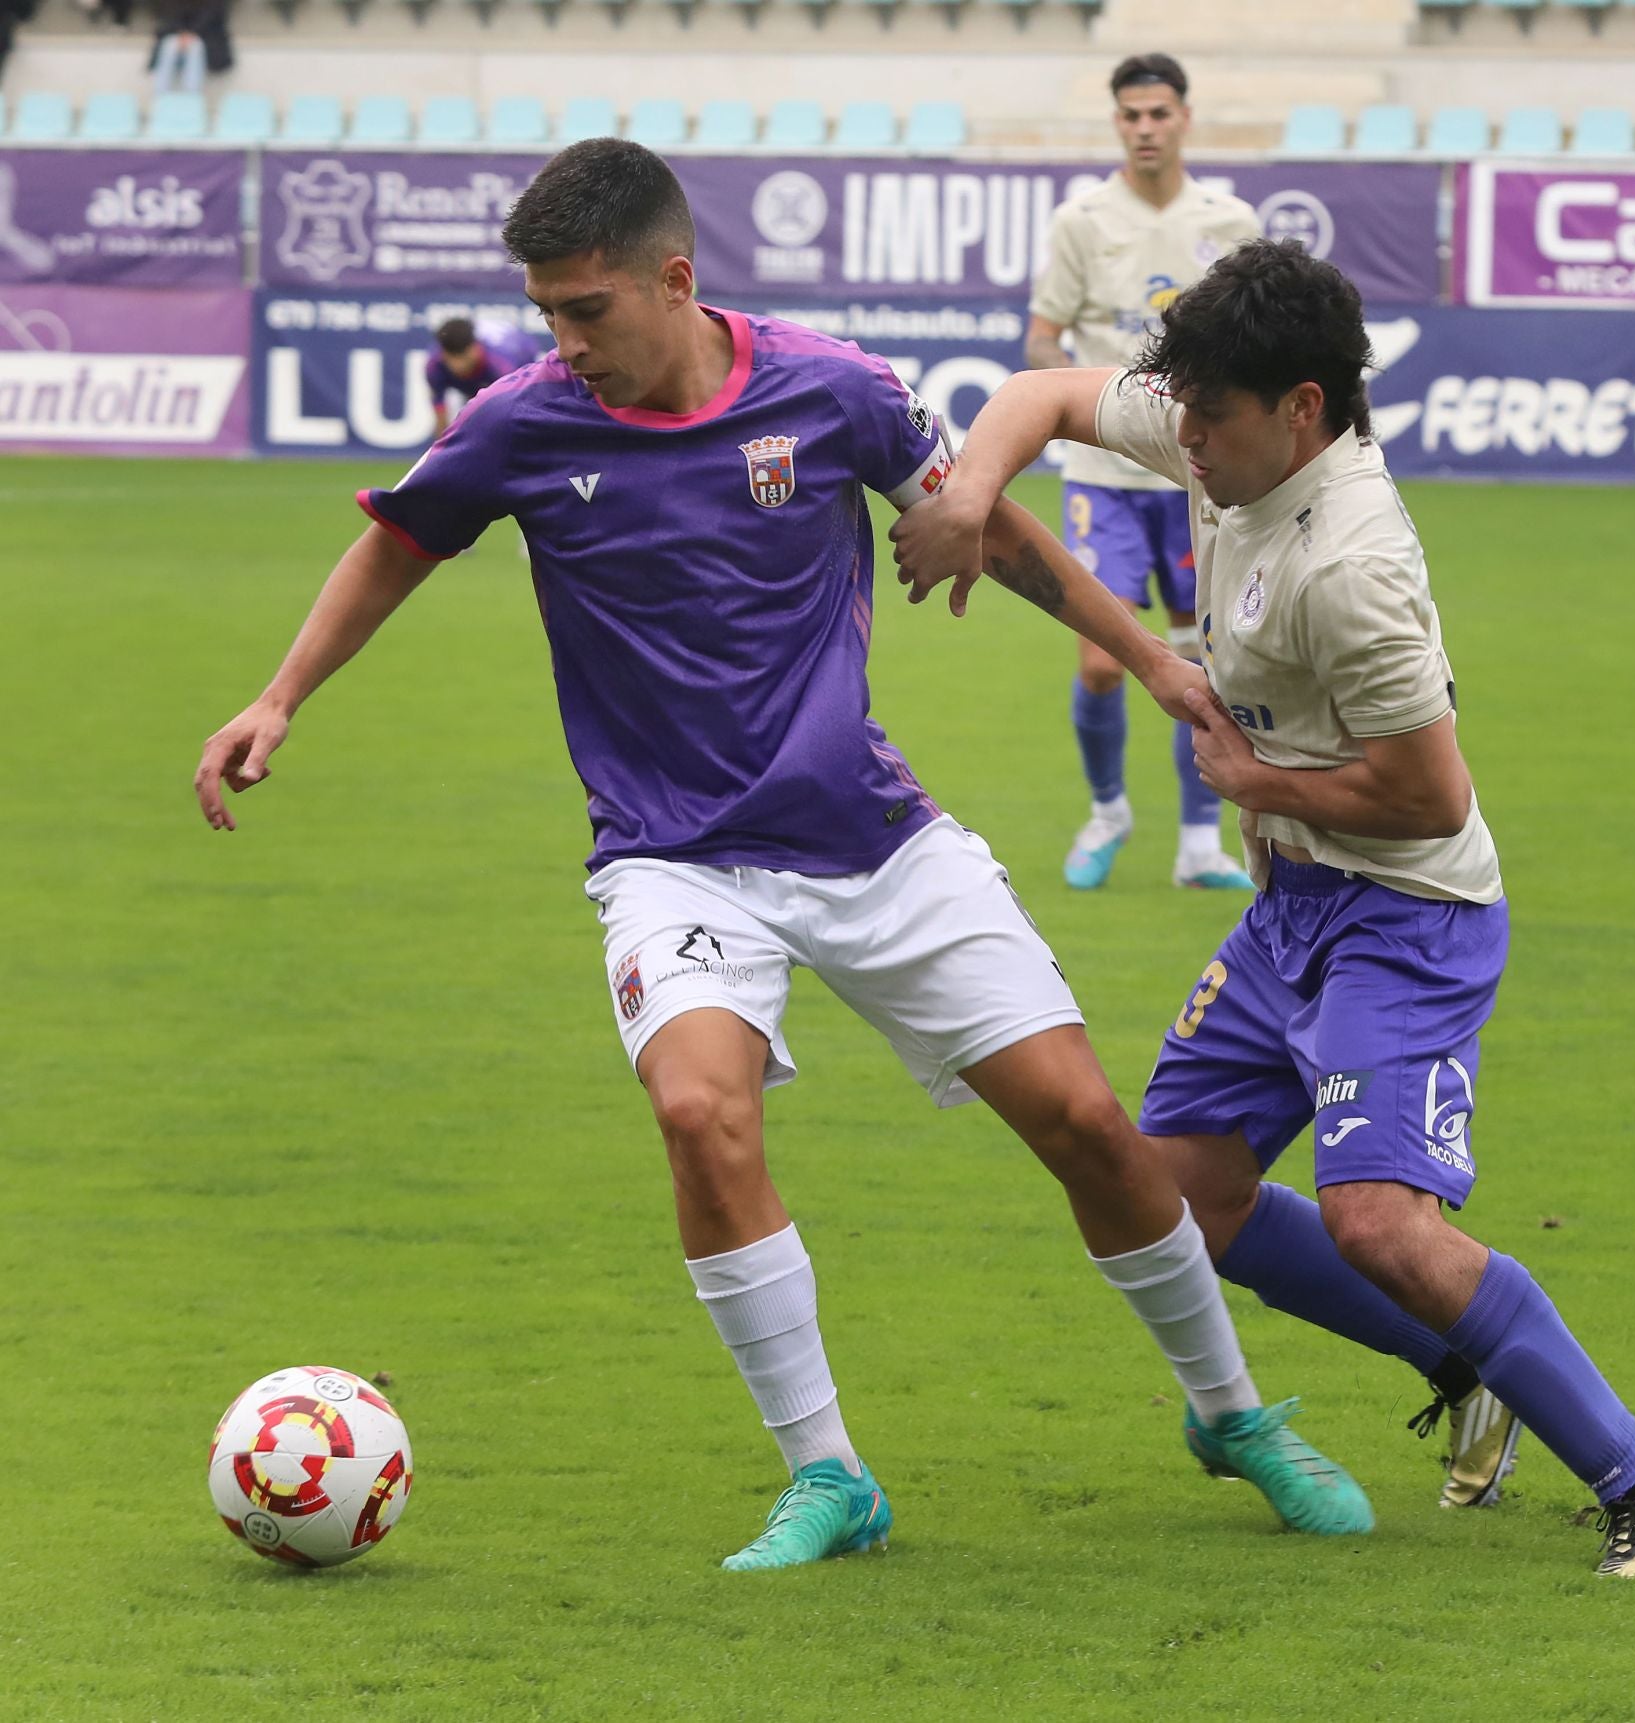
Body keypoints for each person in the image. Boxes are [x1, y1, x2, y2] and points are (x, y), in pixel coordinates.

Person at [194, 141, 1374, 1573]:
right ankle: (828, 1473)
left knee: (1082, 1121)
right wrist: (277, 694)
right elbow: (400, 543)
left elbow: (993, 531)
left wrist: (1153, 659)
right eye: (549, 314)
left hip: (866, 834)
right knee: (701, 1112)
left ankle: (1232, 1411)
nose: (563, 342)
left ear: (673, 281)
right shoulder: (524, 422)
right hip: (672, 857)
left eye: (585, 311)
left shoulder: (832, 387)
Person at [891, 237, 1635, 1578]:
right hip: (1291, 904)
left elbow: (1432, 799)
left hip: (1407, 913)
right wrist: (969, 493)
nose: (1189, 449)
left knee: (1379, 1218)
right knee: (1178, 1189)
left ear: (1300, 408)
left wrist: (1248, 772)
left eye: (1210, 422)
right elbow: (1036, 395)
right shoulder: (1231, 430)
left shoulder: (1354, 565)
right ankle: (1469, 1368)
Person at [1027, 53, 1260, 894]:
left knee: (1204, 662)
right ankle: (1107, 811)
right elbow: (1042, 336)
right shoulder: (1083, 219)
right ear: (1116, 123)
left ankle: (1200, 845)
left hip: (1199, 477)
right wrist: (1081, 392)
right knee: (1101, 662)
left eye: (1159, 113)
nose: (1145, 128)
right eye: (1131, 116)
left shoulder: (1229, 221)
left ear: (1184, 118)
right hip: (1102, 471)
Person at [425, 315, 547, 440]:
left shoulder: (501, 365)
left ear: (475, 348)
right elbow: (439, 409)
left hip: (523, 352)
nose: (458, 366)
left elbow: (512, 411)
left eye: (463, 358)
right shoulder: (434, 365)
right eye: (452, 358)